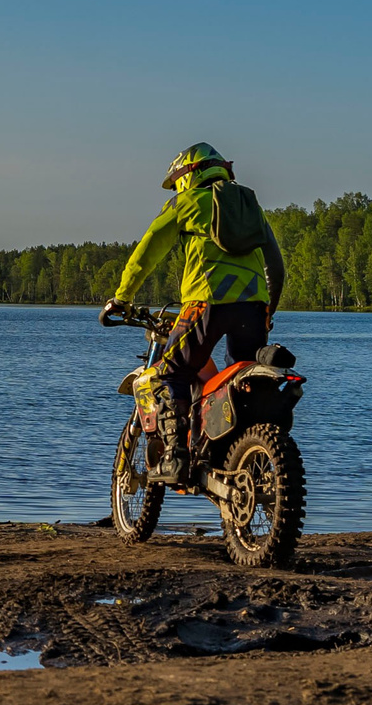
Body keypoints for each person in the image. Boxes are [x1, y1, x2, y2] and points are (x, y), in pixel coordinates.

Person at [100, 142, 287, 484]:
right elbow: (276, 265)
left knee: (173, 372)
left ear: (188, 175)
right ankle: (237, 456)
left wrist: (121, 297)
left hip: (206, 303)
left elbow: (147, 251)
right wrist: (268, 310)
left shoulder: (185, 203)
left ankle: (176, 457)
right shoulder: (249, 204)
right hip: (254, 307)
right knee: (237, 382)